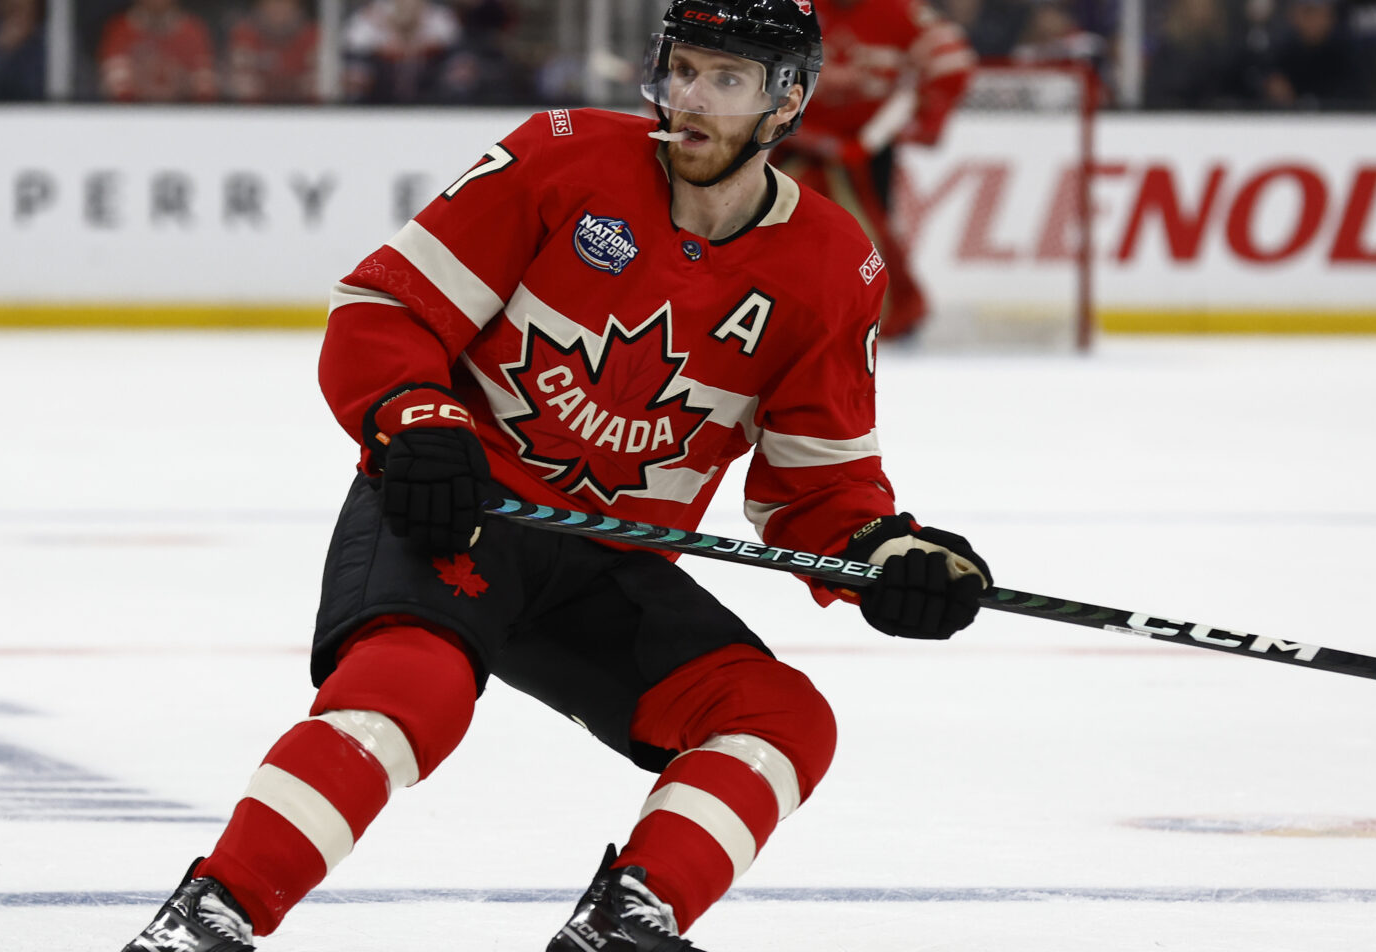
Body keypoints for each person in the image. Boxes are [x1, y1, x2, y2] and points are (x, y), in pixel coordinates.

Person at [119, 1, 991, 950]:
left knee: (780, 719)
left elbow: (818, 494)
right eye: (682, 70)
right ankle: (211, 917)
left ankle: (624, 926)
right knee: (411, 695)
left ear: (787, 104)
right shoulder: (560, 156)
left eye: (725, 80)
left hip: (606, 564)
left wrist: (891, 556)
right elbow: (383, 309)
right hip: (464, 511)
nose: (690, 100)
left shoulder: (832, 266)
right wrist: (417, 418)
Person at [773, 0, 976, 340]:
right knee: (775, 227)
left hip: (865, 150)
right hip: (792, 143)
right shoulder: (792, 7)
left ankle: (888, 316)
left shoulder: (901, 12)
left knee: (869, 232)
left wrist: (917, 121)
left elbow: (952, 63)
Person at [98, 0, 218, 102]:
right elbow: (117, 92)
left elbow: (205, 91)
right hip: (133, 120)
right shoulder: (120, 30)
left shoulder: (193, 31)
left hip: (184, 118)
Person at [226, 0, 319, 103]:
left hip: (302, 114)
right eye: (271, 3)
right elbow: (242, 88)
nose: (278, 8)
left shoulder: (314, 35)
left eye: (285, 3)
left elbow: (315, 90)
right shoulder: (244, 34)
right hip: (255, 115)